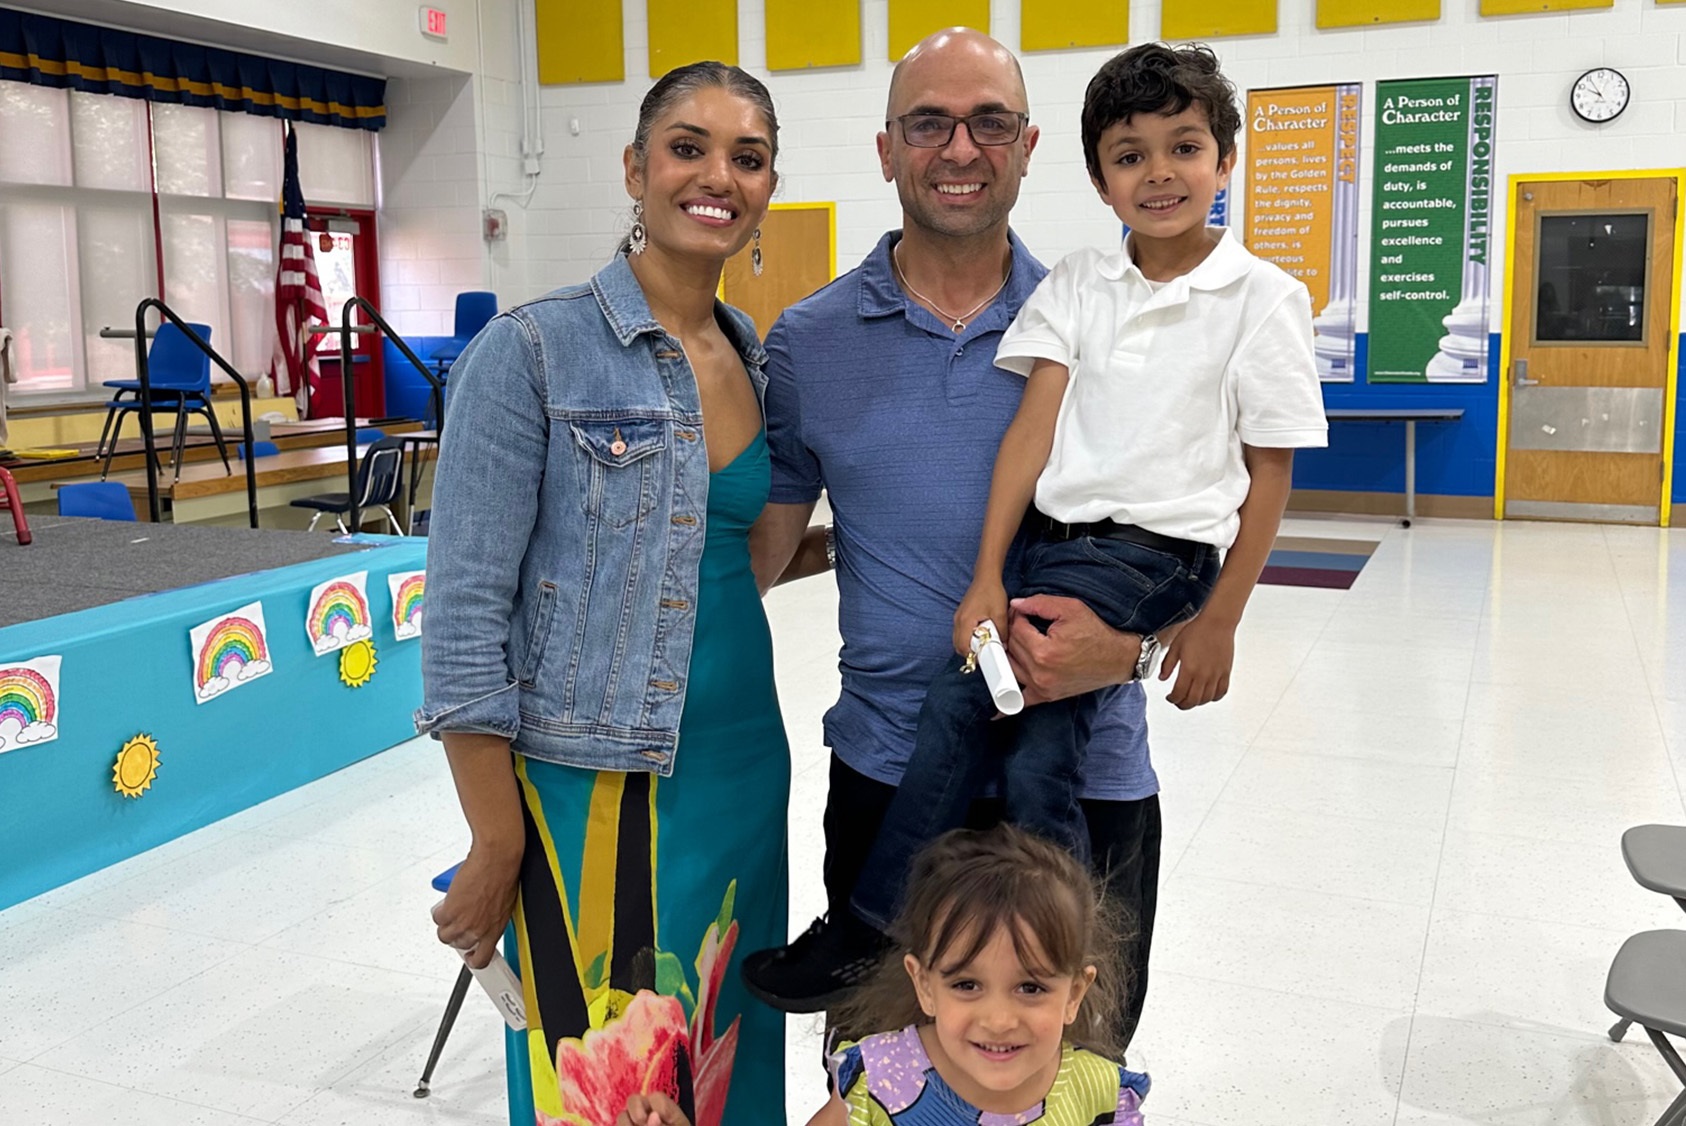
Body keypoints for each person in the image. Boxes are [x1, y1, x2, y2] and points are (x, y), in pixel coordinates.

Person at [839, 41, 1329, 945]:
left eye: (1186, 147)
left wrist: (1218, 618)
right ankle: (1059, 941)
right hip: (1062, 542)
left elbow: (1272, 472)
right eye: (1129, 155)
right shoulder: (1080, 283)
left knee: (983, 701)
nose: (1160, 173)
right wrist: (988, 572)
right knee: (1031, 738)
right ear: (1100, 181)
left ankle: (915, 923)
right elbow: (1032, 433)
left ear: (1227, 158)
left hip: (1158, 558)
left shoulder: (1262, 297)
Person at [740, 29, 1162, 1047]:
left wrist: (1139, 650)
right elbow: (756, 550)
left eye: (990, 123)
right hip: (891, 771)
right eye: (929, 123)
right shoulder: (810, 341)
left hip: (1083, 776)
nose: (960, 148)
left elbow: (1193, 538)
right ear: (887, 149)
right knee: (884, 1072)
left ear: (1029, 146)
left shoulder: (1110, 324)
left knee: (1072, 1075)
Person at [417, 61, 790, 1126]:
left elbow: (724, 557)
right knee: (610, 1082)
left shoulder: (749, 351)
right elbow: (460, 622)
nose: (717, 174)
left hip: (741, 771)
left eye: (747, 157)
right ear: (635, 167)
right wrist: (494, 843)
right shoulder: (530, 352)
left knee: (726, 1055)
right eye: (688, 147)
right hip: (593, 786)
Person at [620, 826, 1148, 1126]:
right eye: (966, 984)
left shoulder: (1098, 1092)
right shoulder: (884, 1082)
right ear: (924, 984)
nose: (999, 1018)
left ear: (1076, 992)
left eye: (1031, 987)